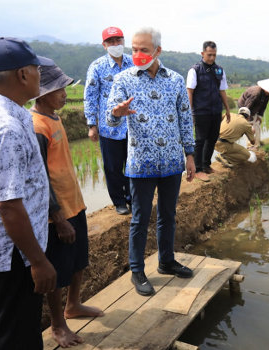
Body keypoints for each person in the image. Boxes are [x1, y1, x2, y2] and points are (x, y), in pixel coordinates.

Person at [0, 37, 56, 350]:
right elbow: (9, 206)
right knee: (19, 334)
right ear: (22, 75)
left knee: (18, 323)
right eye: (36, 69)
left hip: (3, 246)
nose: (40, 76)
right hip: (13, 253)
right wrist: (39, 262)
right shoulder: (6, 127)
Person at [107, 27, 196, 296]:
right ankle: (137, 270)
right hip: (140, 163)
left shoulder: (176, 81)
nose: (137, 54)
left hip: (171, 162)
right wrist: (117, 112)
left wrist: (190, 155)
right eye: (133, 49)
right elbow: (111, 118)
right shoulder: (123, 80)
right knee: (140, 219)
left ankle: (166, 262)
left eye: (143, 49)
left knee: (168, 216)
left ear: (157, 50)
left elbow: (185, 118)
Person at [31, 64, 104, 348]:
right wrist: (57, 216)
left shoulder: (54, 117)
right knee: (59, 269)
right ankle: (57, 323)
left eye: (63, 88)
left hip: (75, 203)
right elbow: (39, 177)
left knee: (78, 260)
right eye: (58, 90)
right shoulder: (37, 126)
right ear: (42, 93)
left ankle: (73, 305)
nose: (64, 94)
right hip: (58, 212)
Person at [84, 27, 134, 215]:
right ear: (104, 45)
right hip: (108, 127)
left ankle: (132, 198)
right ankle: (119, 201)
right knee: (113, 167)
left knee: (132, 163)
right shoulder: (97, 66)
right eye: (111, 42)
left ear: (123, 41)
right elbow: (90, 96)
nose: (115, 45)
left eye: (118, 40)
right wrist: (92, 125)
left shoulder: (133, 63)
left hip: (132, 125)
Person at [186, 41, 231, 182]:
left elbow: (222, 90)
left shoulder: (219, 70)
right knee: (200, 140)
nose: (212, 58)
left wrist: (227, 109)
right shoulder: (195, 70)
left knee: (212, 138)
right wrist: (190, 112)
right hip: (200, 111)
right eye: (209, 55)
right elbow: (190, 92)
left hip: (215, 110)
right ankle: (198, 169)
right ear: (202, 53)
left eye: (214, 55)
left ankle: (206, 165)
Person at [237, 77, 269, 147]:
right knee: (250, 128)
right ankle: (250, 145)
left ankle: (257, 144)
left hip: (254, 108)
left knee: (257, 125)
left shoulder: (267, 94)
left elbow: (264, 105)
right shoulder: (256, 93)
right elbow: (247, 108)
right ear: (265, 88)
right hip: (245, 108)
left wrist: (259, 116)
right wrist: (249, 120)